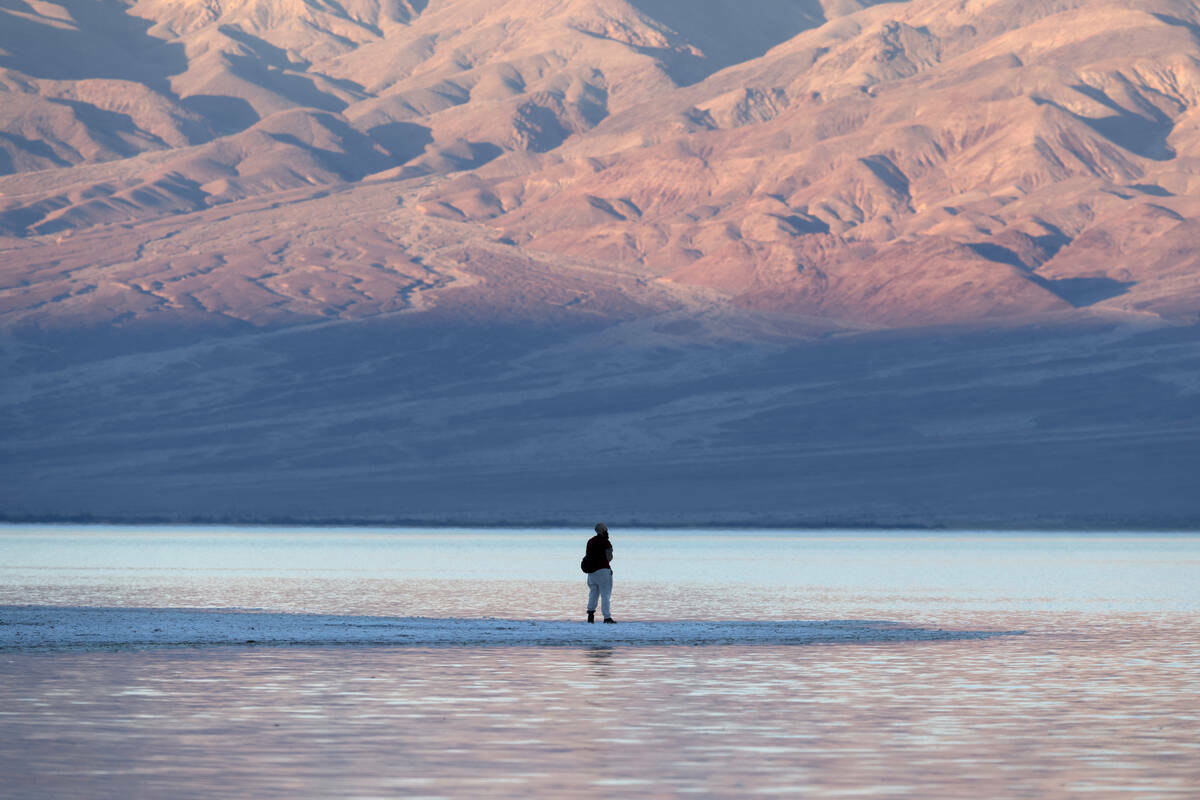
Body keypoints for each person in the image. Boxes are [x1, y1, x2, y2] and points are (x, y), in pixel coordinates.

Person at [583, 523, 616, 623]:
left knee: (593, 593)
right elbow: (609, 557)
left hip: (591, 572)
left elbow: (587, 555)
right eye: (606, 529)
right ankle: (607, 617)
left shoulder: (590, 541)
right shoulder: (605, 542)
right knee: (605, 595)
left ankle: (590, 615)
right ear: (603, 530)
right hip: (603, 570)